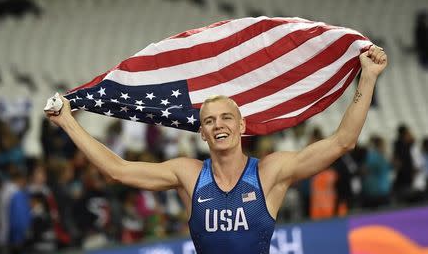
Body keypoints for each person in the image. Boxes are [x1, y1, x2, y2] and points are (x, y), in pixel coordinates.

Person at [45, 45, 387, 254]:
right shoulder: (188, 175)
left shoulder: (270, 172)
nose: (218, 125)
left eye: (226, 118)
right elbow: (118, 170)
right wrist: (69, 122)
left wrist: (367, 77)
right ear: (202, 134)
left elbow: (343, 141)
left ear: (241, 127)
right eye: (209, 121)